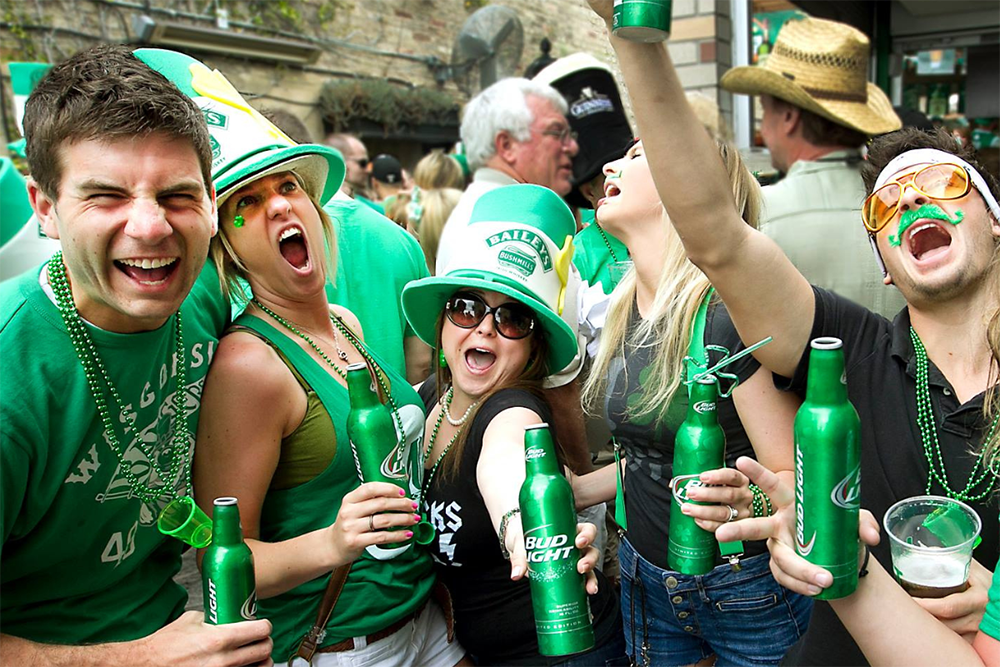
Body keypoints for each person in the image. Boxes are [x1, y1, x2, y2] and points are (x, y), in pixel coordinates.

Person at [583, 2, 1000, 665]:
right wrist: (634, 36)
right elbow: (716, 236)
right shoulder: (855, 351)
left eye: (944, 183)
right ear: (884, 268)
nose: (913, 201)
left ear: (995, 217)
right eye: (886, 204)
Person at [157, 46, 468, 666]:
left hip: (425, 619)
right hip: (346, 646)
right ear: (229, 248)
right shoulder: (250, 367)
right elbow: (221, 561)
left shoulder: (347, 324)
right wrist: (333, 541)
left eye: (288, 187)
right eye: (246, 203)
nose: (278, 205)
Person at [0, 44, 273, 664]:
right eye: (106, 196)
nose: (151, 227)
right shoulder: (11, 384)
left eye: (177, 196)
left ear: (209, 198)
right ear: (45, 207)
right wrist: (137, 660)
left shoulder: (197, 290)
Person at [573, 135, 811, 667]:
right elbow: (648, 458)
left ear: (687, 185)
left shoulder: (726, 315)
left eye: (638, 155)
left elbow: (794, 480)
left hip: (742, 589)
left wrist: (752, 497)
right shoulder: (622, 309)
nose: (609, 161)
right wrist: (575, 488)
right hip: (643, 577)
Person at [401, 183, 626, 666]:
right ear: (442, 322)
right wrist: (643, 472)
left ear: (531, 348)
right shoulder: (428, 402)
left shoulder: (514, 411)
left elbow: (507, 467)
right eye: (467, 307)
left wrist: (520, 528)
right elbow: (570, 486)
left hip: (565, 654)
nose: (484, 327)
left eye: (512, 319)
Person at [721, 17, 906, 319]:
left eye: (766, 112)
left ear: (790, 117)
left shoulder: (755, 217)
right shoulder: (907, 204)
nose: (763, 130)